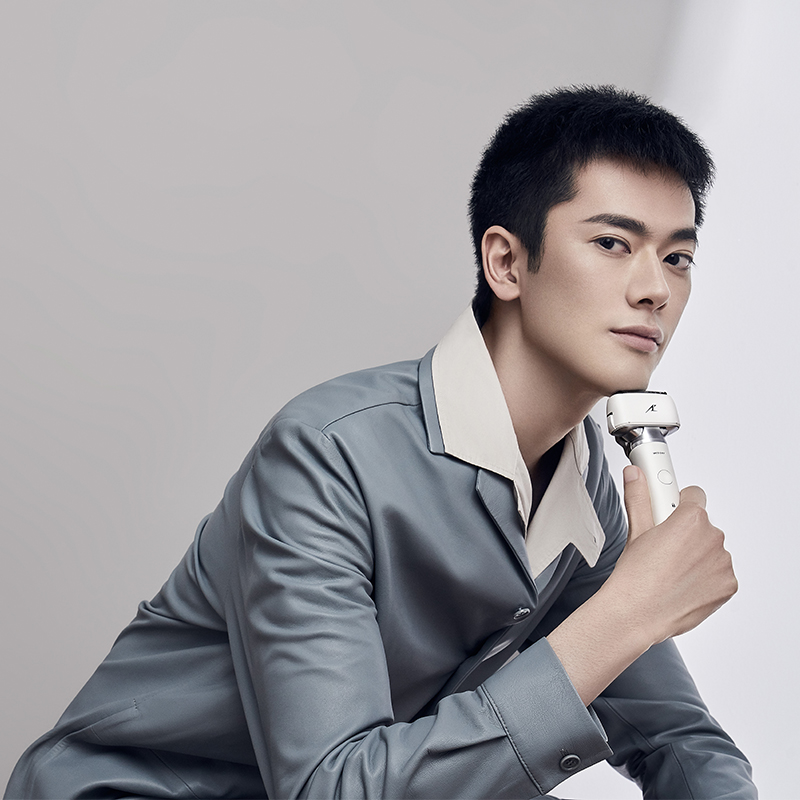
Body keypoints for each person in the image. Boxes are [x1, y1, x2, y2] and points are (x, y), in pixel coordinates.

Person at [5, 86, 756, 799]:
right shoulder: (328, 455)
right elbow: (336, 788)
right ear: (506, 262)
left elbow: (682, 742)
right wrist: (625, 616)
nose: (655, 289)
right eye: (613, 243)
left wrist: (632, 616)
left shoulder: (586, 486)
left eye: (678, 257)